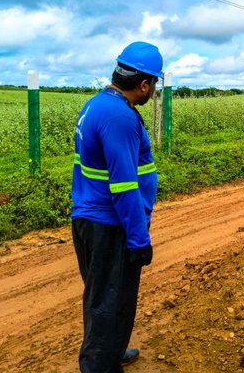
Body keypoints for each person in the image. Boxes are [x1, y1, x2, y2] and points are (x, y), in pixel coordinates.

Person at [71, 41, 163, 372]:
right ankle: (99, 364)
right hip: (111, 227)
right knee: (109, 304)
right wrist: (139, 240)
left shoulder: (97, 105)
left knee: (106, 297)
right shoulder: (119, 118)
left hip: (91, 220)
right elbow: (124, 186)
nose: (153, 90)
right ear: (144, 84)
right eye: (155, 84)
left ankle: (112, 351)